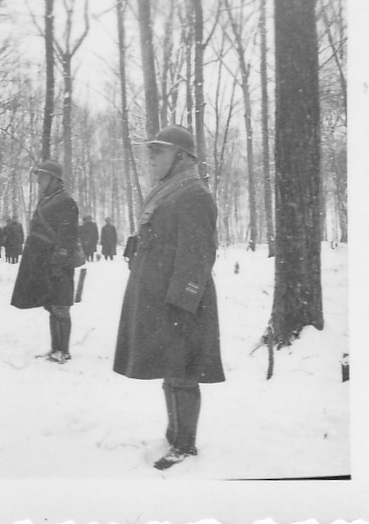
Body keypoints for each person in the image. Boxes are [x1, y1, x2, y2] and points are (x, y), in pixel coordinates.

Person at [113, 125, 224, 470]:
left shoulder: (193, 194)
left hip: (181, 300)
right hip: (161, 294)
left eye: (158, 151)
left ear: (182, 157)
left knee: (183, 370)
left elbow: (198, 254)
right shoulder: (169, 190)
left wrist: (182, 301)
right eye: (150, 151)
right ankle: (174, 434)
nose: (150, 158)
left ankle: (185, 445)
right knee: (170, 367)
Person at [11, 159, 79, 364]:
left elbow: (67, 236)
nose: (38, 180)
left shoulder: (66, 201)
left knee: (61, 306)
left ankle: (63, 351)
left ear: (54, 179)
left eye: (42, 176)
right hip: (43, 261)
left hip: (57, 262)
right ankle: (55, 348)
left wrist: (59, 262)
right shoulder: (47, 200)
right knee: (51, 304)